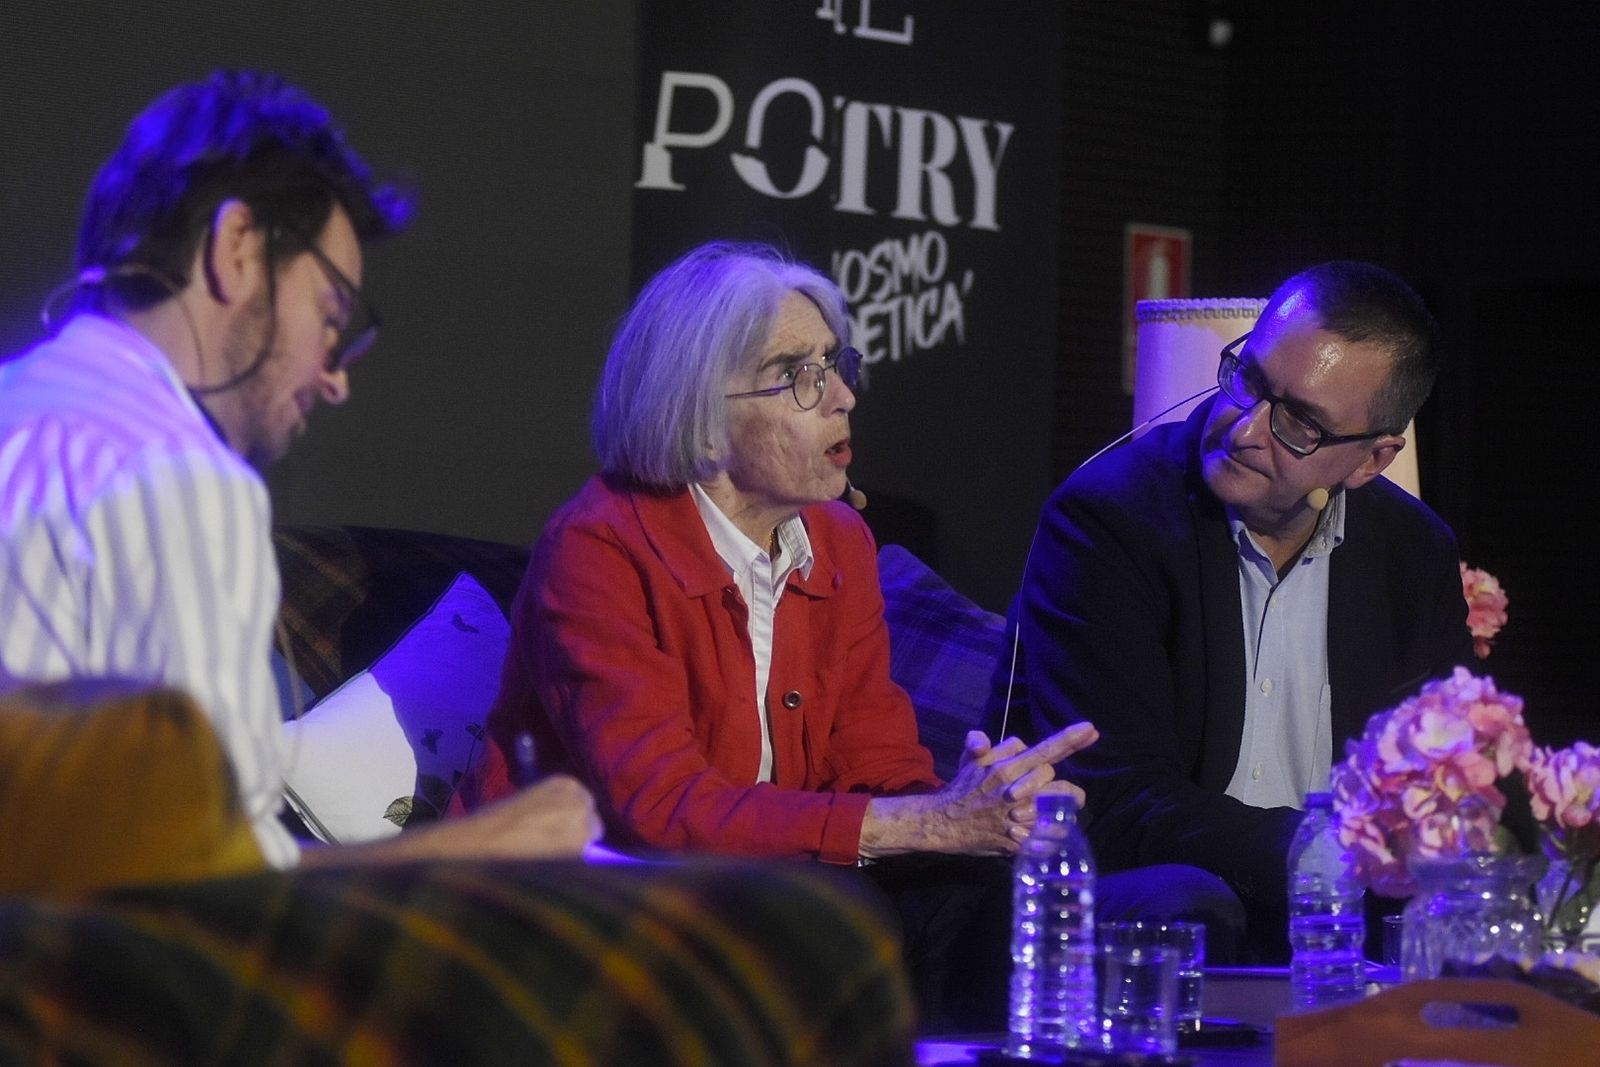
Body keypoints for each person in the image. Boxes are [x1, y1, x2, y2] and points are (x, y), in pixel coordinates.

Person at [456, 239, 1239, 1030]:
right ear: (700, 417)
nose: (841, 397)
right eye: (799, 374)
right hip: (608, 893)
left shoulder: (838, 541)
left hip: (803, 885)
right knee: (845, 912)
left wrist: (972, 808)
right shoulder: (599, 547)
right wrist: (913, 825)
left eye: (834, 362)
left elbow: (875, 762)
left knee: (1167, 901)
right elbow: (660, 808)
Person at [0, 69, 598, 869]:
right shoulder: (182, 479)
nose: (336, 375)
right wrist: (486, 845)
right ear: (237, 247)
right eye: (331, 317)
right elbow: (214, 891)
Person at [989, 260, 1475, 961]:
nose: (1245, 428)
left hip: (1335, 922)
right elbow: (1115, 798)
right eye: (1248, 379)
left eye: (1300, 423)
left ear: (1372, 460)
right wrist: (1325, 856)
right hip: (1147, 905)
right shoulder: (1109, 519)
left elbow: (1440, 778)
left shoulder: (1414, 554)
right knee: (1190, 901)